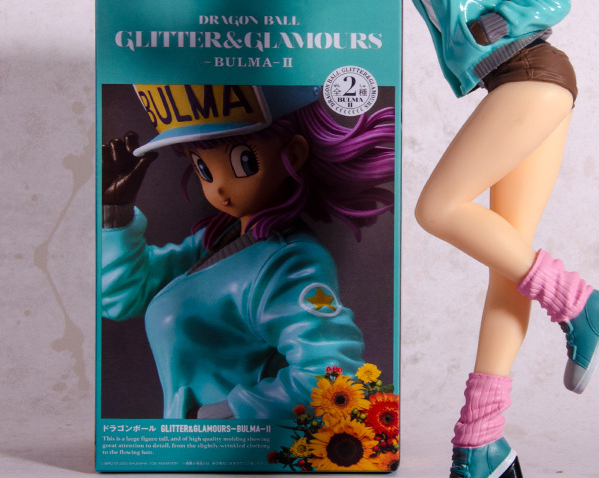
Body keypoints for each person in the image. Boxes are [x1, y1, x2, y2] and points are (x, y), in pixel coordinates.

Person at [359, 0, 599, 478]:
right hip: (510, 86)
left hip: (534, 75)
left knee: (438, 208)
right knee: (509, 262)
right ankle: (481, 447)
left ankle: (579, 303)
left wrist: (498, 20)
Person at [101, 83, 394, 420]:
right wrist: (115, 212)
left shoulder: (290, 262)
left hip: (231, 446)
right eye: (203, 168)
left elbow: (332, 377)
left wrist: (210, 417)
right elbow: (121, 297)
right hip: (190, 444)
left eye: (244, 161)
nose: (219, 186)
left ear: (293, 155)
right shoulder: (213, 243)